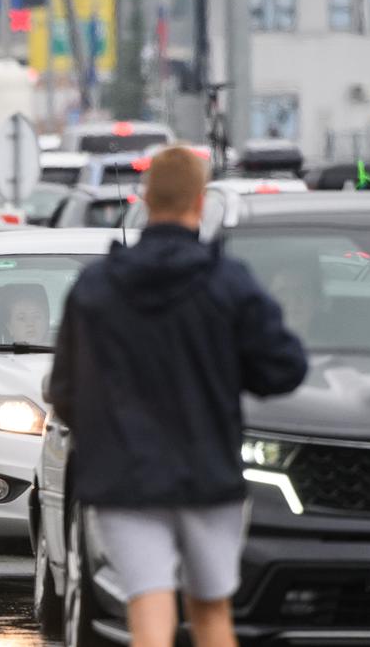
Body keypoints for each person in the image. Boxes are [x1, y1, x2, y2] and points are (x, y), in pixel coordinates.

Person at [49, 145, 307, 647]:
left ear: (146, 198)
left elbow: (64, 391)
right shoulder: (227, 282)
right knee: (211, 614)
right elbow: (285, 368)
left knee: (149, 609)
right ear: (200, 202)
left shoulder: (96, 287)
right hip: (208, 474)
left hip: (126, 480)